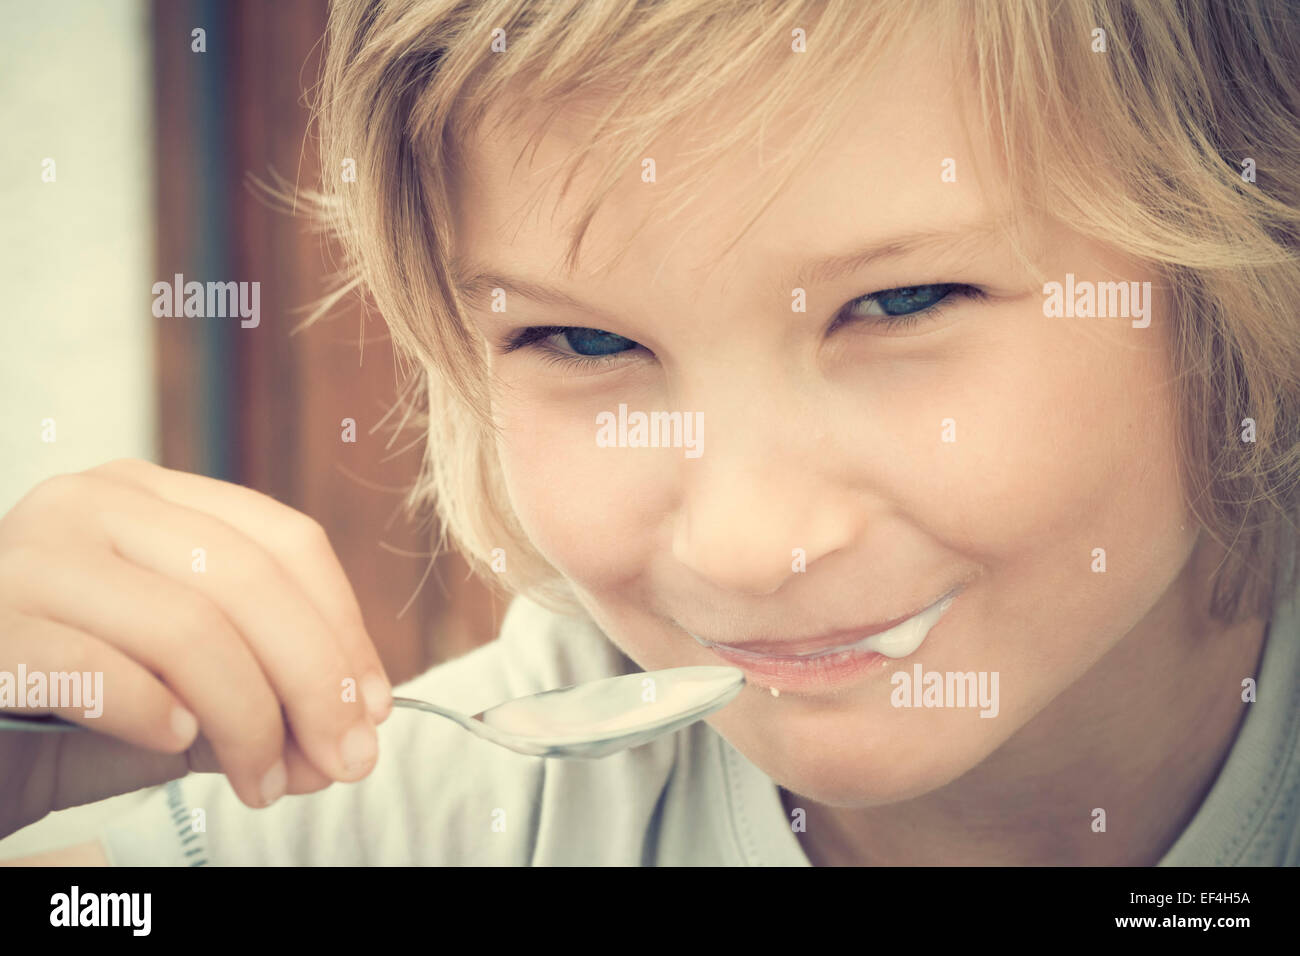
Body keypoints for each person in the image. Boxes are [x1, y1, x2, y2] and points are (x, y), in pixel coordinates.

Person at [3, 0, 1298, 866]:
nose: (743, 550)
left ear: (1250, 242)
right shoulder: (437, 815)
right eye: (583, 342)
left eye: (902, 303)